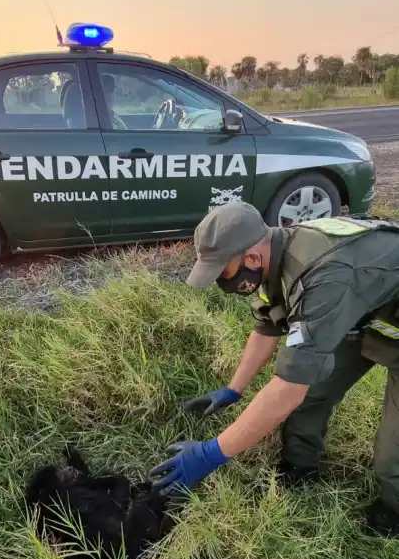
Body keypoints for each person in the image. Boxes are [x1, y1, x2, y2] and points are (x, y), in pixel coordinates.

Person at [151, 202, 399, 535]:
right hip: (365, 313)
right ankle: (300, 468)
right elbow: (267, 326)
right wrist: (232, 390)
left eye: (223, 272)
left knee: (391, 455)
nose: (221, 283)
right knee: (312, 393)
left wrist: (211, 454)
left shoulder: (324, 275)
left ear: (251, 258)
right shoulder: (277, 259)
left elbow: (286, 391)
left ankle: (393, 510)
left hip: (371, 309)